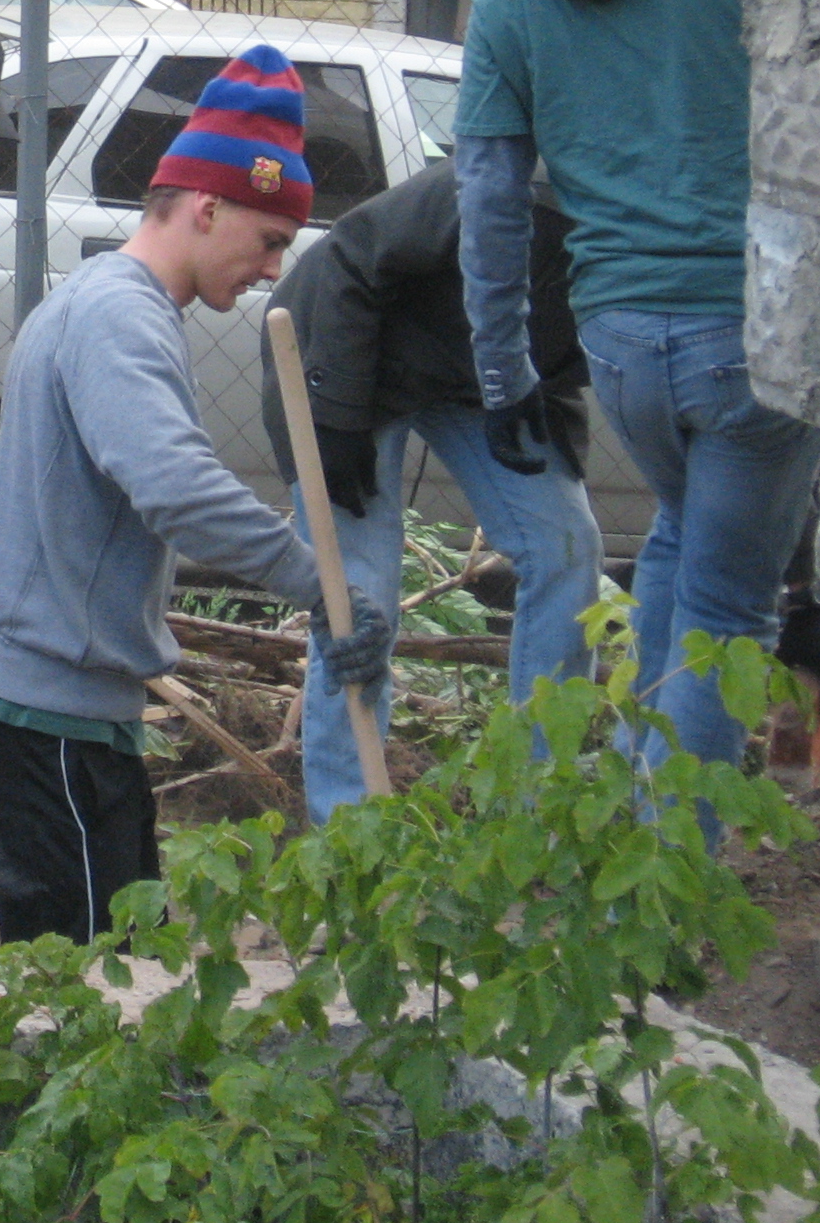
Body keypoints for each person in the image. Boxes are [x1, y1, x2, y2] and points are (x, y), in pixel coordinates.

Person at [0, 48, 393, 947]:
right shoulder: (120, 316)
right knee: (82, 1007)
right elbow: (176, 488)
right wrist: (322, 588)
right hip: (44, 731)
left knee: (112, 991)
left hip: (64, 726)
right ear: (208, 204)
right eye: (270, 240)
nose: (274, 269)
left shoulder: (113, 306)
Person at [455, 0, 820, 826]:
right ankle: (667, 890)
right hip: (751, 337)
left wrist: (504, 372)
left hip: (619, 352)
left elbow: (484, 195)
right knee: (725, 606)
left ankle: (627, 805)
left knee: (674, 540)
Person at [257, 156, 601, 821]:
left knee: (568, 549)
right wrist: (337, 416)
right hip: (347, 348)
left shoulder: (680, 262)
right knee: (358, 594)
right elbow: (352, 260)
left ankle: (539, 813)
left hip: (479, 379)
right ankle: (347, 831)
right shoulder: (517, 197)